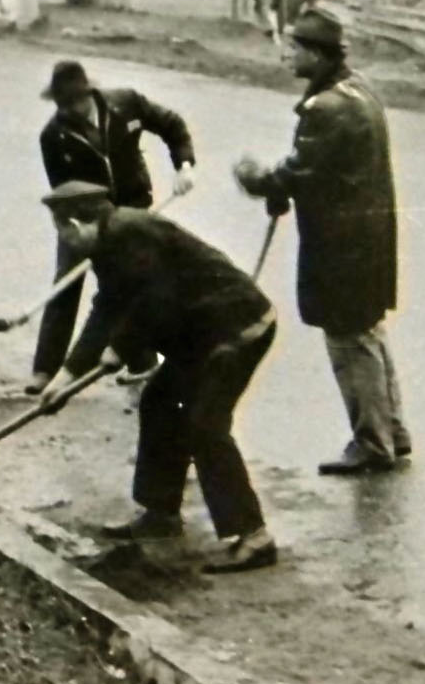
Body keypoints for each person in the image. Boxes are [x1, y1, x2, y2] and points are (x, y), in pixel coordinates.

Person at [36, 180, 278, 574]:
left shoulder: (130, 232)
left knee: (205, 424)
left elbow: (157, 299)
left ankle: (254, 536)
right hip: (201, 331)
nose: (62, 239)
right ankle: (161, 513)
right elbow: (107, 308)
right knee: (161, 402)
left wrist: (122, 349)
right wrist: (65, 376)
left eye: (61, 230)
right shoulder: (107, 242)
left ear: (77, 224)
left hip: (237, 327)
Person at [233, 8, 408, 475]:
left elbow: (299, 171)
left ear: (315, 53)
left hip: (342, 244)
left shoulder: (328, 108)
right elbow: (319, 171)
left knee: (348, 339)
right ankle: (392, 428)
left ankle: (372, 442)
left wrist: (258, 179)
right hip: (366, 235)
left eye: (293, 47)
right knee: (367, 331)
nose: (286, 54)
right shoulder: (359, 90)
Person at [29, 59, 197, 395]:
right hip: (87, 217)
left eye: (77, 100)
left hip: (133, 207)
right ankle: (45, 369)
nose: (72, 109)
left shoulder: (126, 104)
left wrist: (184, 165)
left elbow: (171, 124)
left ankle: (142, 363)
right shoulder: (53, 136)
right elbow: (63, 192)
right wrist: (77, 229)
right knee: (66, 281)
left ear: (90, 93)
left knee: (129, 284)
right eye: (64, 104)